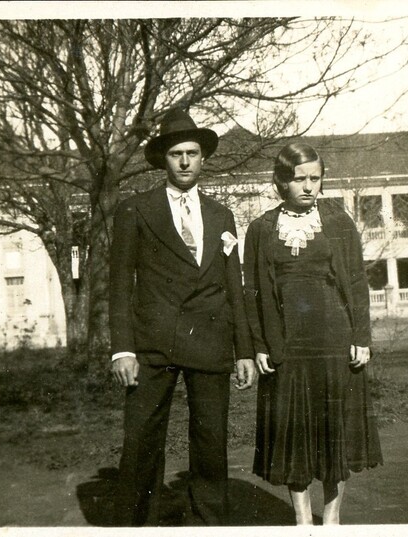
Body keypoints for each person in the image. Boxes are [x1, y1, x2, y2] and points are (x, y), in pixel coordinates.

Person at [109, 108, 256, 526]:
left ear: (203, 157)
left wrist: (244, 351)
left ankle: (208, 526)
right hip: (152, 344)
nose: (185, 162)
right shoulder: (135, 210)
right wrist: (122, 349)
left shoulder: (221, 215)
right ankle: (137, 527)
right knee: (141, 440)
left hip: (210, 341)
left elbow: (234, 287)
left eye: (192, 153)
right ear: (164, 159)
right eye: (177, 154)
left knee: (211, 441)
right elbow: (119, 285)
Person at [243, 142, 382, 525]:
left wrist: (362, 338)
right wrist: (260, 345)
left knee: (334, 429)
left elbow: (357, 283)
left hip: (334, 343)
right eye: (299, 178)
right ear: (281, 181)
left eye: (315, 178)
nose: (308, 186)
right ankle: (303, 521)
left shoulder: (338, 222)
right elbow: (253, 292)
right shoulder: (261, 229)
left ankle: (332, 520)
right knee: (294, 433)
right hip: (286, 345)